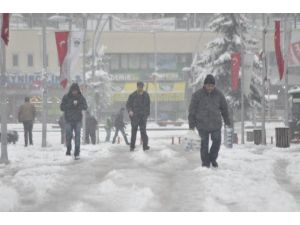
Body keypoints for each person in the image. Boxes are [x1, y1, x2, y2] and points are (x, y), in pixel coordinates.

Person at [188, 74, 231, 168]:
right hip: (202, 124)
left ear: (214, 86)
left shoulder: (219, 95)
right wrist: (191, 124)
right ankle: (205, 162)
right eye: (208, 85)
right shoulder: (197, 95)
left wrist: (227, 121)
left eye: (212, 86)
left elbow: (224, 109)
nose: (210, 88)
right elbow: (192, 110)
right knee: (204, 145)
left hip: (215, 124)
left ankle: (212, 158)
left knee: (217, 141)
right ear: (204, 85)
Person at [60, 83, 88, 159]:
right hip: (68, 120)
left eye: (76, 91)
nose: (74, 92)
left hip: (78, 120)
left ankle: (77, 151)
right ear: (71, 90)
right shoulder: (66, 97)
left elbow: (85, 107)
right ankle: (68, 149)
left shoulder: (81, 97)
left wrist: (78, 105)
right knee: (68, 135)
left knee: (78, 136)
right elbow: (62, 107)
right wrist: (70, 104)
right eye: (73, 91)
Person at [126, 81, 150, 151]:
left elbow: (148, 106)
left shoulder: (146, 95)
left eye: (142, 87)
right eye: (139, 87)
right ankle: (132, 146)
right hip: (135, 117)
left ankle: (145, 146)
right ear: (137, 87)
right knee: (134, 132)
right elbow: (128, 105)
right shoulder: (132, 95)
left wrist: (146, 115)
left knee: (143, 132)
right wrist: (130, 111)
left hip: (143, 117)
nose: (141, 88)